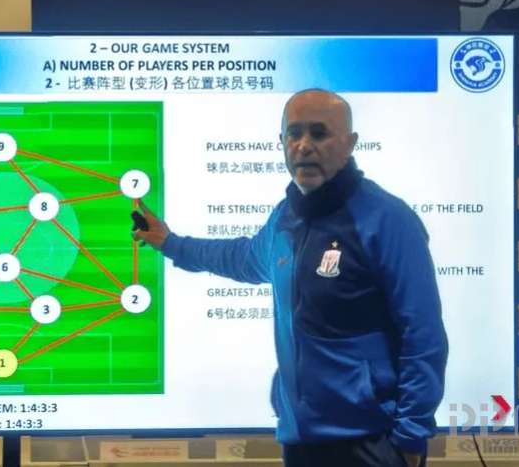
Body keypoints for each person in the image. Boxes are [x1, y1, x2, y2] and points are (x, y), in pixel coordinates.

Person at [133, 89, 448, 467]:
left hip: (371, 442)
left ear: (350, 144)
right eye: (294, 134)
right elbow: (242, 258)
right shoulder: (286, 217)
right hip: (300, 440)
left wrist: (411, 436)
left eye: (319, 133)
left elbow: (423, 334)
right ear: (281, 142)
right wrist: (171, 243)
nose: (304, 146)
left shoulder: (387, 220)